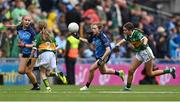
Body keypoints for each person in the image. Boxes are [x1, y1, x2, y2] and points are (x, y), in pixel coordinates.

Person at [115, 22, 176, 91]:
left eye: (125, 30)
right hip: (139, 53)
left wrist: (144, 44)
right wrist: (118, 44)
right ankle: (128, 88)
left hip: (146, 53)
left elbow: (145, 39)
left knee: (150, 73)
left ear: (130, 30)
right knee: (130, 70)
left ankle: (170, 71)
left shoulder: (137, 33)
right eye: (123, 30)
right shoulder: (128, 35)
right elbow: (124, 40)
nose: (124, 31)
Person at [73, 23, 125, 91]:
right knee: (103, 71)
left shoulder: (102, 36)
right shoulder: (94, 35)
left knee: (91, 69)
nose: (93, 30)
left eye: (95, 28)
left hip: (105, 55)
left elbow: (108, 50)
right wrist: (78, 38)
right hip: (98, 55)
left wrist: (102, 58)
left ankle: (86, 86)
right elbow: (88, 41)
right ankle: (119, 73)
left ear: (99, 29)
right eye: (92, 28)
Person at [34, 21, 67, 92]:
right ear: (46, 27)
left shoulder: (37, 37)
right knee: (48, 73)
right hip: (52, 55)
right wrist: (56, 58)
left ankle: (48, 88)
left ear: (38, 28)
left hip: (43, 54)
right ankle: (57, 73)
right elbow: (56, 47)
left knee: (42, 72)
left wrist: (31, 58)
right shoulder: (51, 37)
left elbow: (34, 48)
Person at [16, 15, 40, 90]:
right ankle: (35, 68)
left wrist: (24, 45)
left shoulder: (32, 32)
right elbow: (19, 37)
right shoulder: (19, 28)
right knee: (20, 71)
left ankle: (36, 86)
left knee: (28, 71)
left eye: (29, 20)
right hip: (25, 52)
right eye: (26, 20)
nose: (27, 22)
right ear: (22, 20)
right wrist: (20, 42)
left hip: (33, 53)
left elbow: (35, 45)